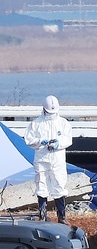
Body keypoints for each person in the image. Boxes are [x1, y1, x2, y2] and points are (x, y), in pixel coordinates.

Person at [23, 95, 73, 223]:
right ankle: (43, 215)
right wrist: (41, 142)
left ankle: (62, 216)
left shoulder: (63, 123)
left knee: (59, 185)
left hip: (57, 160)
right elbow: (29, 140)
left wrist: (57, 144)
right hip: (42, 159)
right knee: (42, 185)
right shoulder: (36, 124)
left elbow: (68, 139)